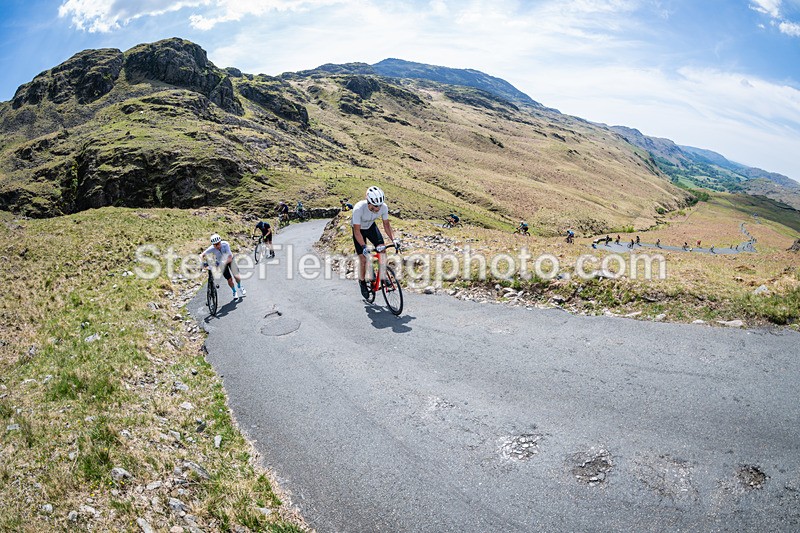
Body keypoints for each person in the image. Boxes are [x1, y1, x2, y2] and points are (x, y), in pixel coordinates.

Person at [352, 186, 399, 299]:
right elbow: (357, 232)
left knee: (382, 250)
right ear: (368, 202)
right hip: (359, 231)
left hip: (371, 227)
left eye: (379, 206)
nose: (378, 209)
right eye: (375, 206)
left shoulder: (384, 207)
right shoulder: (358, 209)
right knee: (363, 259)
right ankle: (362, 282)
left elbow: (386, 225)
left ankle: (383, 276)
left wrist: (394, 239)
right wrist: (363, 246)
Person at [201, 234, 245, 299]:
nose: (217, 246)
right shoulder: (212, 248)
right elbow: (202, 254)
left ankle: (240, 286)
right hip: (221, 263)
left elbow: (230, 257)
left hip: (230, 261)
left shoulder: (225, 244)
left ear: (220, 242)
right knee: (229, 279)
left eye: (218, 244)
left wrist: (224, 262)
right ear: (213, 245)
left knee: (236, 276)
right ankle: (234, 291)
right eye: (215, 245)